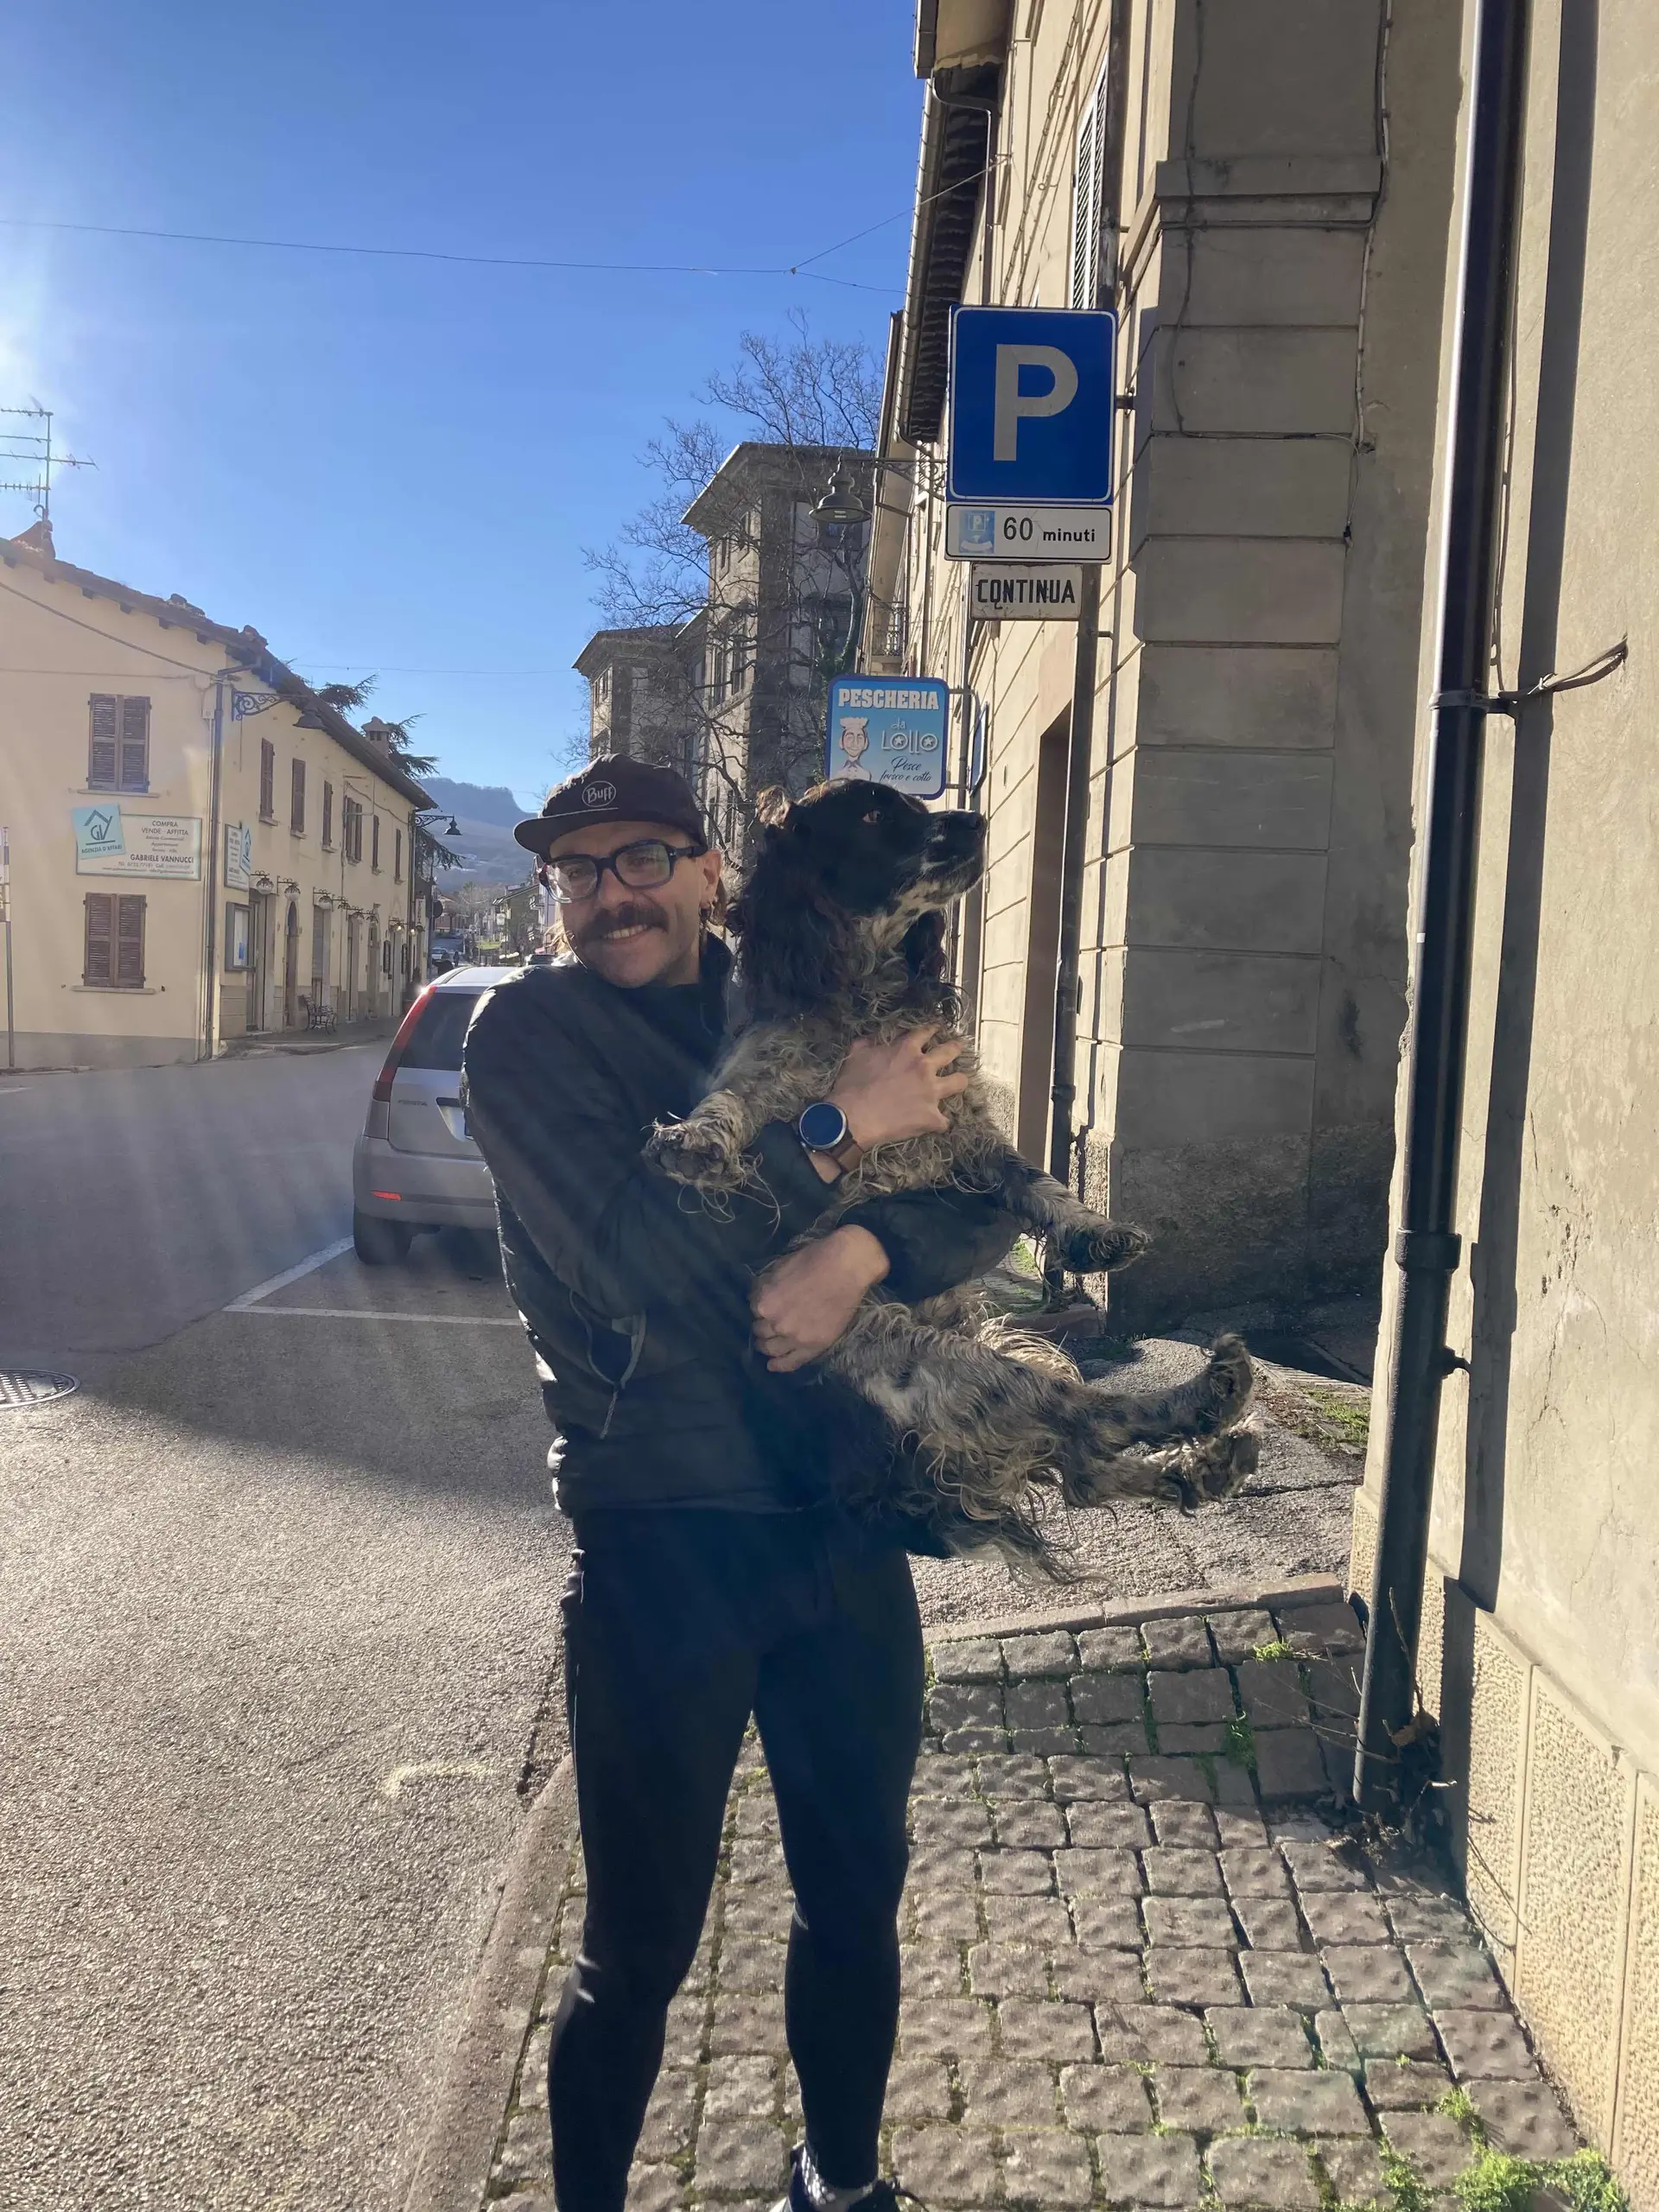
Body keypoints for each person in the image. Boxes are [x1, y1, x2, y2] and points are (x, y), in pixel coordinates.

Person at [461, 756, 1014, 2212]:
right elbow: (625, 1258)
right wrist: (833, 1133)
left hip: (844, 1527)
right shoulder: (530, 1037)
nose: (610, 895)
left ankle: (843, 2184)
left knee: (856, 1897)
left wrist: (864, 1252)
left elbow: (974, 1196)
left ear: (711, 873)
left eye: (643, 859)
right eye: (578, 871)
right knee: (638, 1947)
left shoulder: (809, 1000)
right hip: (665, 1543)